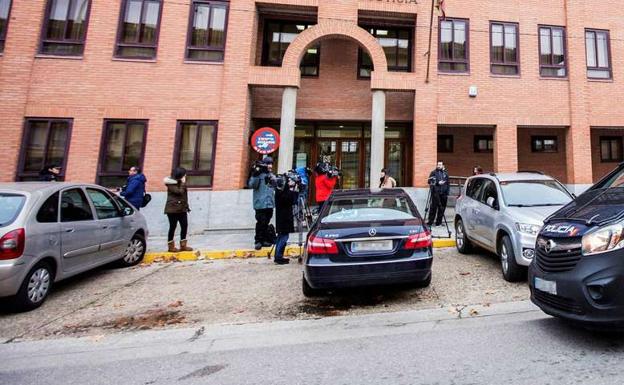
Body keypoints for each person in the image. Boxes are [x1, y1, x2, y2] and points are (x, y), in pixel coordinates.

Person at [248, 157, 275, 251]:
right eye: (268, 164)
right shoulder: (258, 175)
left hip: (269, 203)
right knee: (261, 222)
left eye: (271, 163)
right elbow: (252, 185)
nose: (270, 166)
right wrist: (255, 175)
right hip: (260, 204)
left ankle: (264, 239)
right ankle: (258, 241)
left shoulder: (271, 175)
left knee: (266, 222)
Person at [164, 167, 193, 253]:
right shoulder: (171, 183)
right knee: (173, 227)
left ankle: (183, 245)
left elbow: (184, 196)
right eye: (184, 174)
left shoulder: (180, 183)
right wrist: (183, 183)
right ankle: (171, 246)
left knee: (184, 225)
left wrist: (186, 206)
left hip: (182, 208)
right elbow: (179, 192)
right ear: (180, 174)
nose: (185, 175)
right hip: (173, 209)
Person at [273, 176, 299, 265]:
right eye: (288, 182)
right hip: (284, 218)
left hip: (282, 218)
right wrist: (295, 191)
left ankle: (278, 255)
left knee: (281, 236)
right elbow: (292, 201)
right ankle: (278, 256)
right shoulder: (282, 193)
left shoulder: (279, 191)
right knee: (284, 237)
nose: (289, 183)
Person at [428, 161, 450, 227]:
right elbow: (429, 181)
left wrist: (447, 192)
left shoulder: (445, 173)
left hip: (443, 194)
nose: (439, 165)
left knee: (442, 208)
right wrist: (438, 183)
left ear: (442, 165)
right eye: (438, 164)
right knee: (433, 208)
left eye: (440, 164)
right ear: (436, 165)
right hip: (435, 193)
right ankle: (430, 222)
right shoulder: (433, 172)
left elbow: (448, 183)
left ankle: (439, 222)